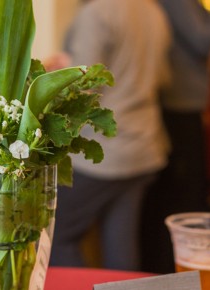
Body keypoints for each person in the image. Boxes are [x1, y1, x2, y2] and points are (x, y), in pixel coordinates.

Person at [50, 0, 171, 270]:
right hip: (144, 144)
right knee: (120, 245)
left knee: (55, 237)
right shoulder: (154, 12)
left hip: (105, 151)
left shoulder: (99, 12)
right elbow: (164, 78)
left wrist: (54, 76)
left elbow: (81, 89)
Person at [140, 0, 210, 274]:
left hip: (184, 103)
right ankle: (172, 272)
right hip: (178, 105)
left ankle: (172, 270)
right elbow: (203, 40)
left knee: (185, 194)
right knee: (185, 197)